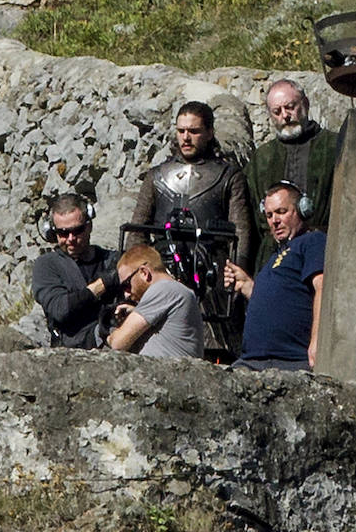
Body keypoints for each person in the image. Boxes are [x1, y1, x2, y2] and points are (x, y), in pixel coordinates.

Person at [129, 100, 255, 359]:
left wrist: (234, 274)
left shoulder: (229, 176)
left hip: (212, 277)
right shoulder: (156, 176)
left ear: (209, 132)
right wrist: (138, 276)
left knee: (215, 349)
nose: (186, 138)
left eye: (194, 131)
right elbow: (137, 231)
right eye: (181, 130)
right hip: (164, 273)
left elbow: (240, 232)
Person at [224, 182, 325, 371]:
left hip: (290, 361)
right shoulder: (275, 257)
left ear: (302, 210)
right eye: (269, 215)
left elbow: (322, 287)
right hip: (252, 361)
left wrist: (317, 341)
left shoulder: (312, 241)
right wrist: (246, 285)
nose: (274, 221)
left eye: (281, 212)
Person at [244, 79, 337, 270]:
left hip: (325, 252)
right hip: (274, 258)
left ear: (305, 104)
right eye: (277, 112)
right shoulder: (262, 157)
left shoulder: (334, 146)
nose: (285, 116)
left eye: (290, 107)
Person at [32, 193, 119, 348]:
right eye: (63, 233)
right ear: (53, 233)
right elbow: (60, 309)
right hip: (74, 350)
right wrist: (103, 284)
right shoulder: (46, 265)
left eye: (78, 231)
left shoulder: (110, 259)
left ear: (89, 226)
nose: (71, 238)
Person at [104, 245, 203, 359]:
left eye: (127, 284)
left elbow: (118, 343)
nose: (126, 294)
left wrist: (108, 334)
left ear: (144, 273)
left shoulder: (164, 288)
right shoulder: (176, 291)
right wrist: (135, 311)